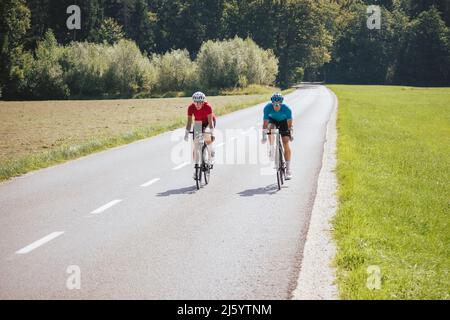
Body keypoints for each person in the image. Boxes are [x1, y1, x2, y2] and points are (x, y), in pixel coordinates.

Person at [261, 92, 294, 180]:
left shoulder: (287, 109)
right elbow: (265, 124)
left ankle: (288, 170)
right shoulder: (267, 108)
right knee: (270, 128)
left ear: (281, 103)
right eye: (274, 104)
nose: (276, 106)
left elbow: (290, 125)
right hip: (273, 121)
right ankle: (272, 148)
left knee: (285, 142)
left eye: (278, 104)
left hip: (284, 122)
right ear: (272, 103)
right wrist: (264, 136)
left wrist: (291, 133)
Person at [184, 91, 216, 176]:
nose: (197, 105)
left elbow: (210, 122)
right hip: (198, 123)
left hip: (208, 122)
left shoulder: (208, 107)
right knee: (196, 145)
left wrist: (212, 133)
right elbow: (189, 122)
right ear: (193, 102)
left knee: (207, 139)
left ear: (203, 102)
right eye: (195, 102)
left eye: (200, 103)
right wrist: (186, 133)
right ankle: (197, 169)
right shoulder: (191, 108)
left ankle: (211, 154)